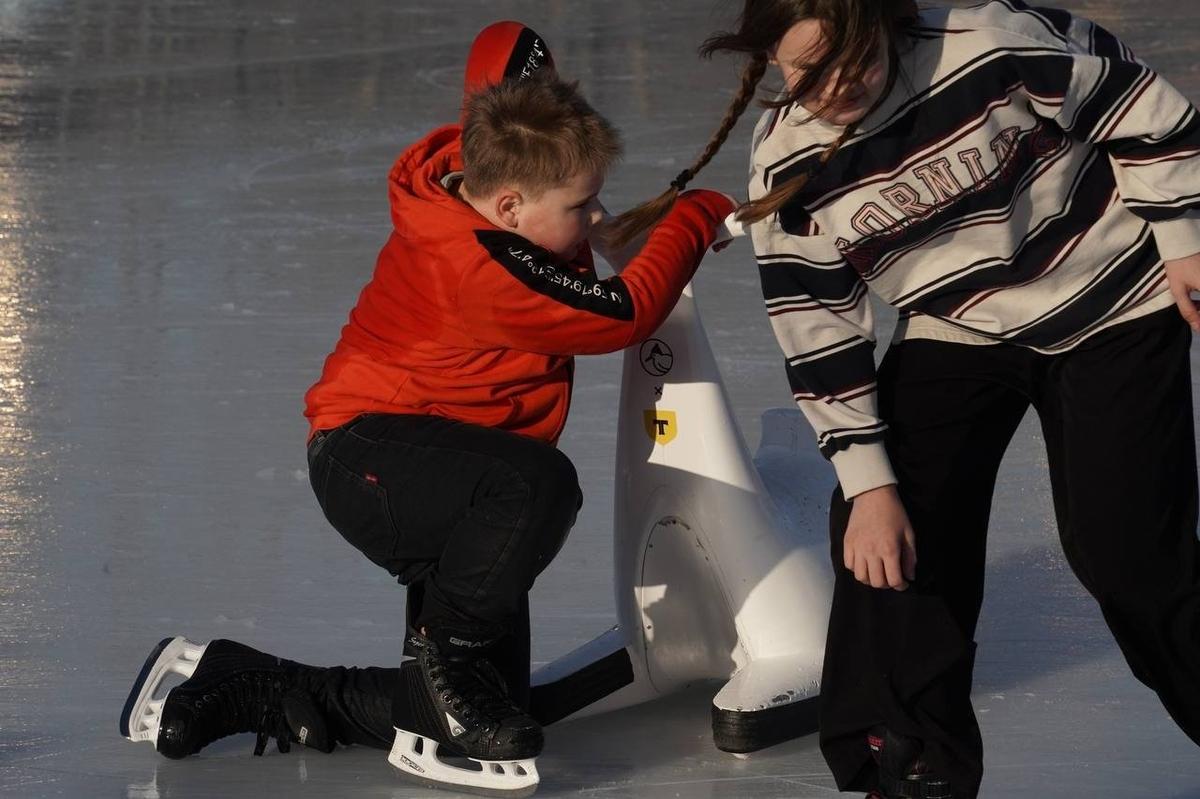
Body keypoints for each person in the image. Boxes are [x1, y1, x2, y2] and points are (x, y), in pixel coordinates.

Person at [120, 20, 736, 798]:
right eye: (581, 207)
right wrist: (699, 211)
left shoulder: (475, 168)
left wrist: (554, 133)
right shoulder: (481, 266)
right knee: (537, 487)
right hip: (374, 456)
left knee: (486, 707)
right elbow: (622, 314)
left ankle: (250, 686)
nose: (594, 219)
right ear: (510, 205)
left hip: (451, 466)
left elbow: (503, 53)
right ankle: (450, 656)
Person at [607, 1, 1200, 797]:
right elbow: (819, 335)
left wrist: (1184, 236)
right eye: (810, 70)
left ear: (886, 23)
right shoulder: (789, 165)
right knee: (891, 529)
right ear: (770, 59)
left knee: (1126, 555)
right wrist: (870, 487)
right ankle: (914, 764)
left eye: (855, 56)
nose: (838, 84)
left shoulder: (980, 45)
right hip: (959, 322)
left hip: (1114, 293)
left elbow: (1148, 108)